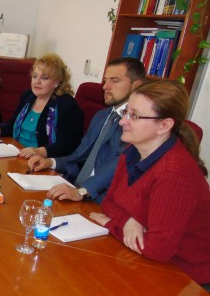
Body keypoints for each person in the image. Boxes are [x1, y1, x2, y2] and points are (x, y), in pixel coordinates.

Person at [90, 80, 210, 285]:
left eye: (134, 116)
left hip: (186, 279)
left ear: (164, 125)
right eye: (126, 112)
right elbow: (109, 203)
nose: (122, 121)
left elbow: (157, 250)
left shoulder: (173, 174)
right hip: (142, 260)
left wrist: (111, 224)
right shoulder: (132, 152)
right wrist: (128, 221)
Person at [27, 57, 146, 203]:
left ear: (136, 85)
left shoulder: (137, 124)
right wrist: (50, 162)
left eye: (114, 81)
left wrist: (82, 191)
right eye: (105, 80)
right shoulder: (102, 116)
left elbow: (118, 165)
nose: (105, 87)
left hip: (100, 199)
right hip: (74, 188)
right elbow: (79, 155)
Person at [0, 53, 84, 158]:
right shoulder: (28, 96)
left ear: (56, 82)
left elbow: (68, 145)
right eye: (34, 76)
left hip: (40, 161)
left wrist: (39, 151)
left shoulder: (66, 105)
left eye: (44, 78)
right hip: (16, 152)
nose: (37, 81)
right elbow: (12, 125)